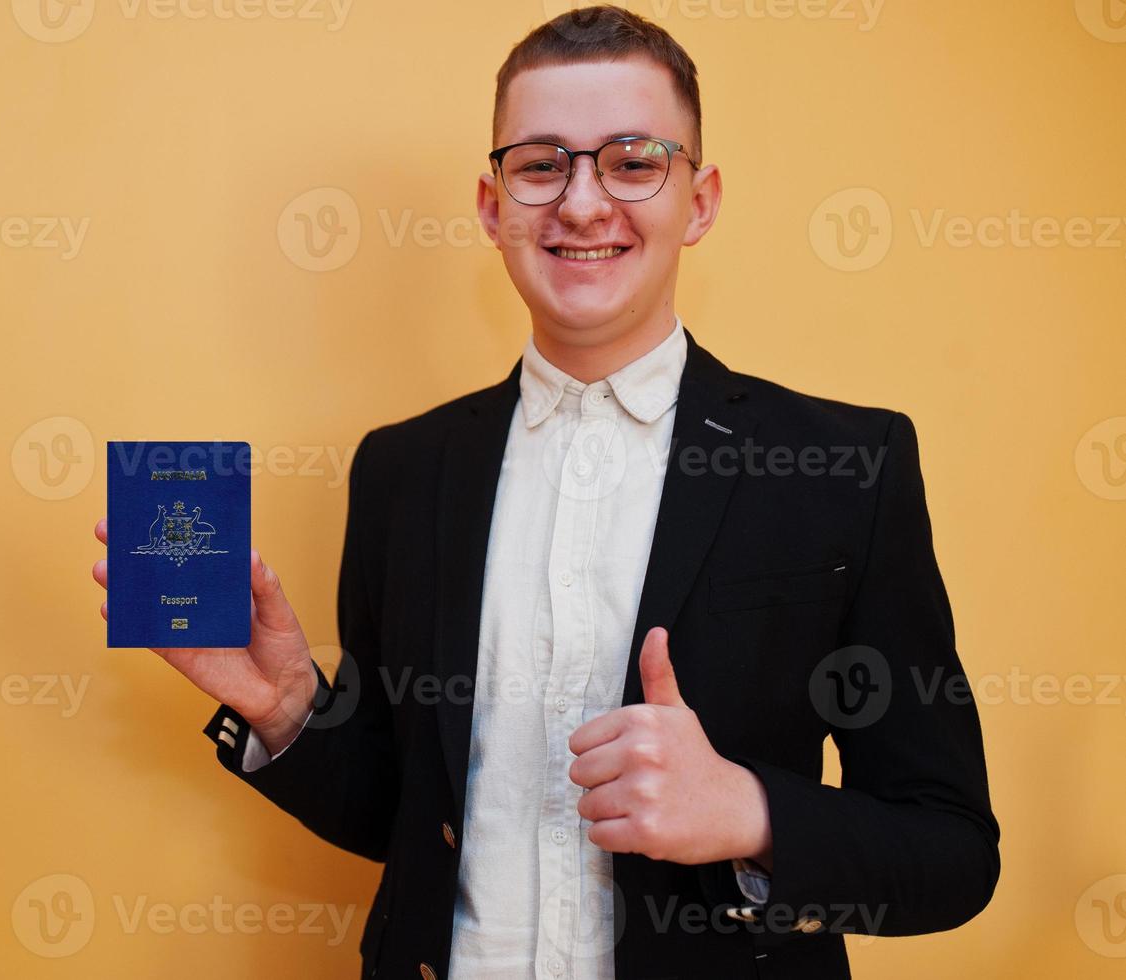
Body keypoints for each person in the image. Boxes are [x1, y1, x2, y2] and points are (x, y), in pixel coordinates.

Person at [92, 7, 999, 977]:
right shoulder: (401, 468)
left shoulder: (845, 463)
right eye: (540, 164)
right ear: (492, 206)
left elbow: (950, 852)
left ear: (700, 199)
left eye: (634, 159)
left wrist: (748, 809)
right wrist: (284, 708)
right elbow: (410, 818)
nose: (580, 202)